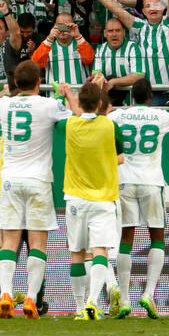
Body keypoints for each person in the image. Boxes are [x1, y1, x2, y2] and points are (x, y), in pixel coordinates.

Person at [109, 76, 169, 318]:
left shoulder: (117, 115)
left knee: (126, 237)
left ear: (131, 96)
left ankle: (124, 299)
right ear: (149, 97)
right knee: (156, 237)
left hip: (124, 180)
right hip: (151, 181)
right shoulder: (161, 116)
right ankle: (148, 294)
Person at [0, 60, 73, 318]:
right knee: (38, 242)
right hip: (38, 179)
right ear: (40, 81)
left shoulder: (3, 105)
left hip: (10, 180)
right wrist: (66, 95)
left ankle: (5, 293)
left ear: (16, 83)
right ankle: (30, 298)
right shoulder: (49, 105)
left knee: (10, 240)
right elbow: (76, 120)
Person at [63, 81, 122, 321]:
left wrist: (68, 94)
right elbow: (121, 153)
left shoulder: (70, 125)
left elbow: (76, 113)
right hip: (103, 198)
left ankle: (79, 306)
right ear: (100, 105)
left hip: (75, 198)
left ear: (79, 104)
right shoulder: (110, 125)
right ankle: (93, 302)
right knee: (100, 251)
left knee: (77, 252)